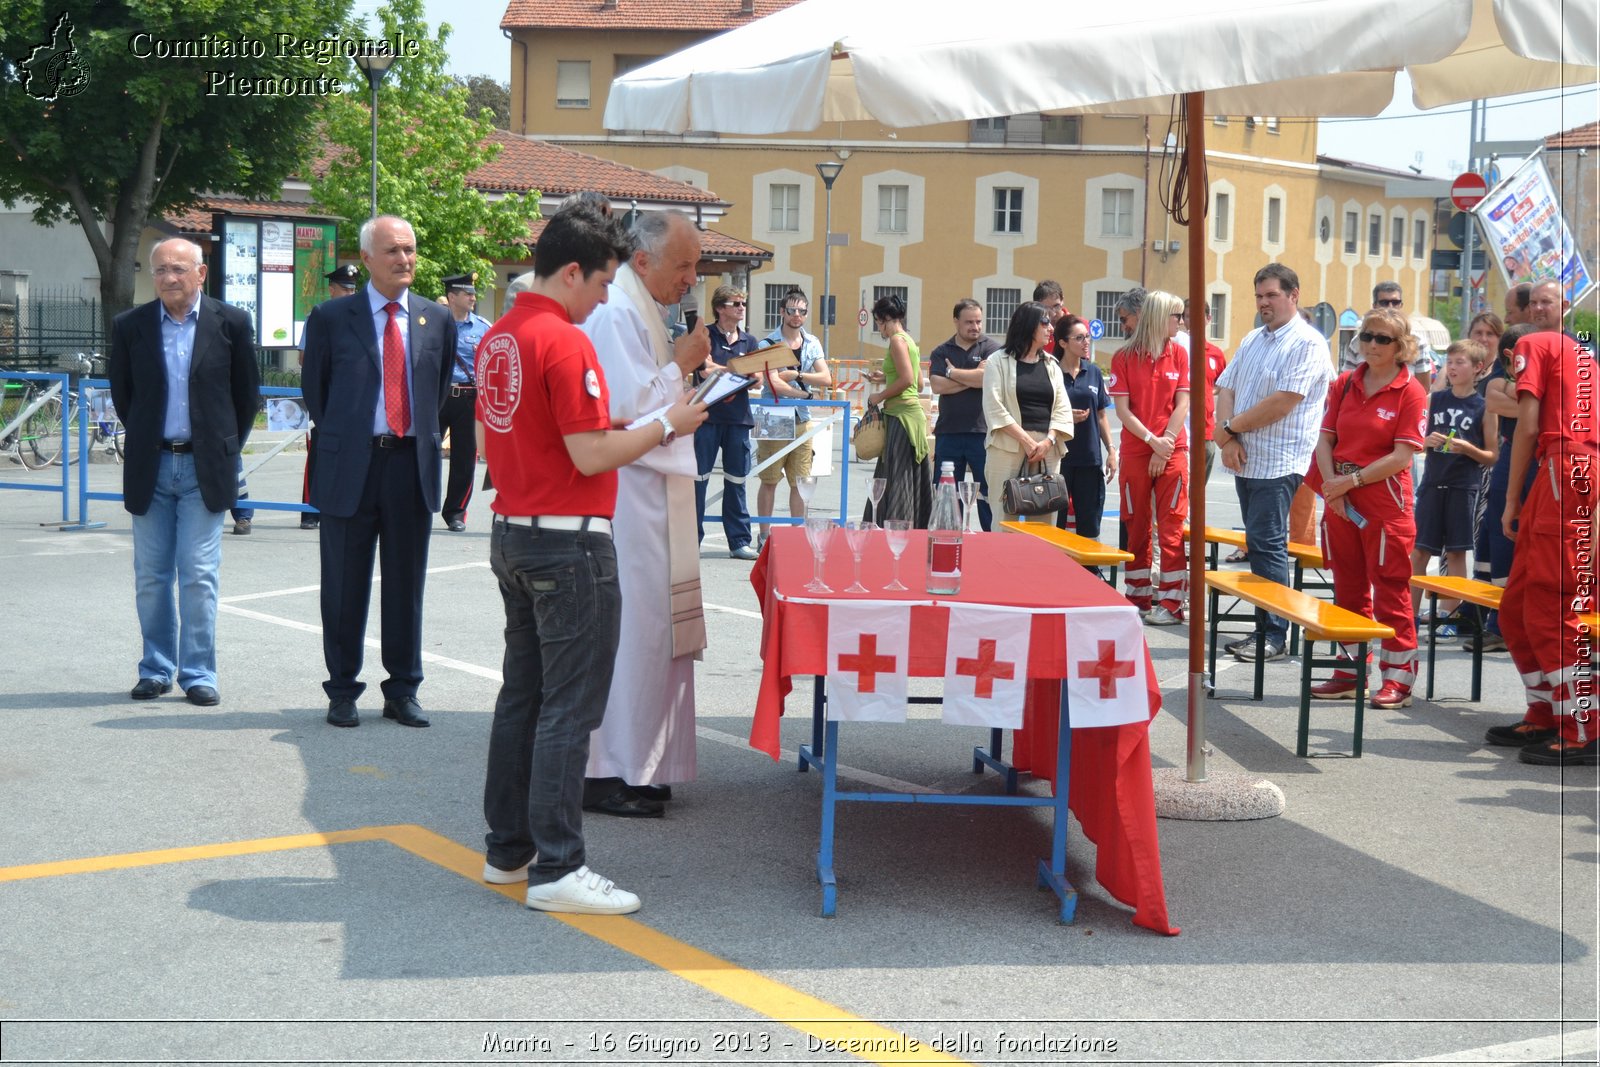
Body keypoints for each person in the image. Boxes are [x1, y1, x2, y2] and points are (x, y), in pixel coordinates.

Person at [476, 205, 709, 914]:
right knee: (567, 711)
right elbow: (592, 449)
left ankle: (508, 848)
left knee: (522, 697)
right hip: (569, 536)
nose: (605, 299)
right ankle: (558, 865)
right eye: (602, 282)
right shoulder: (565, 340)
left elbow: (493, 447)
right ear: (572, 271)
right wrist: (669, 421)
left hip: (514, 526)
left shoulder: (498, 337)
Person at [579, 210, 714, 817]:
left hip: (655, 497)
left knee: (655, 632)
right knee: (630, 634)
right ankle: (606, 771)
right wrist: (681, 367)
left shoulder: (644, 307)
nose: (691, 277)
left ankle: (643, 762)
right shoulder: (616, 311)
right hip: (628, 498)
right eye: (682, 265)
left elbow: (649, 395)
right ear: (642, 260)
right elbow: (622, 408)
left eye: (694, 264)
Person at [301, 214, 456, 729]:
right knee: (343, 585)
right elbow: (317, 395)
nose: (404, 260)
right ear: (367, 258)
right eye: (392, 251)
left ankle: (403, 689)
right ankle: (342, 689)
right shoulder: (330, 317)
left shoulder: (436, 319)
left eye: (409, 250)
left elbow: (435, 397)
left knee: (406, 584)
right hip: (352, 466)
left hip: (410, 465)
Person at [108, 237, 260, 707]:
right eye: (160, 270)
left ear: (200, 273)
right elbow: (124, 395)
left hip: (204, 467)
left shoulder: (231, 322)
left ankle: (197, 673)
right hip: (151, 465)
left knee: (198, 572)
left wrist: (221, 449)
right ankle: (156, 668)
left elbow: (245, 396)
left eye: (178, 268)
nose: (169, 278)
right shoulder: (131, 326)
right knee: (152, 575)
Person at [1488, 327, 1599, 766]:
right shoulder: (1578, 355)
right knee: (1516, 608)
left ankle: (1582, 728)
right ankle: (1549, 712)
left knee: (1552, 607)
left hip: (1565, 469)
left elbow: (1527, 425)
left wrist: (1511, 498)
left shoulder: (1533, 346)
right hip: (1567, 470)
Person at [1309, 307, 1429, 709]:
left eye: (1382, 339)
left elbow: (1402, 456)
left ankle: (1398, 680)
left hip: (1383, 500)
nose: (1372, 344)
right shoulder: (1345, 383)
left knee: (1390, 590)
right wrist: (1334, 489)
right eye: (1367, 336)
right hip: (1341, 494)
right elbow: (1324, 440)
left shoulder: (1411, 391)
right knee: (1347, 586)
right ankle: (1349, 673)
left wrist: (1351, 482)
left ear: (1401, 347)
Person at [1214, 263, 1332, 661]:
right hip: (1245, 455)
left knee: (1267, 545)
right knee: (1258, 543)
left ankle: (1273, 634)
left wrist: (1229, 428)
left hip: (1280, 459)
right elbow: (1226, 385)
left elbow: (1283, 402)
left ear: (1293, 295)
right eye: (1259, 296)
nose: (1264, 303)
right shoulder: (1252, 339)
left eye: (1272, 295)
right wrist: (1228, 434)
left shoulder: (1308, 343)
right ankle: (1264, 628)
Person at [1108, 290, 1190, 623]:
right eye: (1176, 316)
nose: (1180, 322)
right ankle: (1137, 597)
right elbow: (1123, 411)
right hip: (1139, 450)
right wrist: (1152, 440)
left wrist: (1165, 442)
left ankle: (1171, 603)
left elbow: (1182, 403)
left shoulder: (1180, 355)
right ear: (1158, 317)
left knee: (1171, 528)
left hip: (1172, 451)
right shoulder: (1124, 357)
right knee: (1136, 526)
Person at [1409, 340, 1498, 635]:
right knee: (1420, 551)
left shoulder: (1484, 406)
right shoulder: (1435, 398)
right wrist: (1426, 442)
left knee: (1456, 552)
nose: (1453, 367)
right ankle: (1407, 615)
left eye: (1461, 362)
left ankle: (1449, 617)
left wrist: (1467, 449)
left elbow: (1492, 454)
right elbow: (1413, 440)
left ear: (1478, 369)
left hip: (1464, 486)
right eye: (1450, 361)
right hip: (1433, 483)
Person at [981, 301, 1074, 526]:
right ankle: (1002, 562)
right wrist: (1026, 440)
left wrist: (1048, 441)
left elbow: (1063, 409)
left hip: (1047, 450)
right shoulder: (997, 361)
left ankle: (1039, 563)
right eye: (1045, 323)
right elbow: (994, 407)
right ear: (1028, 325)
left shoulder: (1052, 364)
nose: (1051, 328)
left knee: (1046, 518)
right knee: (1004, 518)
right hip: (1008, 447)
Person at [755, 288, 832, 540]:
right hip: (774, 417)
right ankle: (764, 535)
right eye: (792, 310)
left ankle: (797, 536)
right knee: (769, 479)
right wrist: (805, 394)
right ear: (782, 312)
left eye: (802, 311)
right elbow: (774, 383)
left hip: (802, 419)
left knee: (800, 481)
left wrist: (799, 376)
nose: (796, 315)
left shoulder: (812, 343)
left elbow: (826, 377)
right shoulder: (768, 343)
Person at [694, 284, 760, 559]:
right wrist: (736, 369)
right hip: (707, 417)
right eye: (736, 304)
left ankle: (739, 541)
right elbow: (701, 370)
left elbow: (756, 376)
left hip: (738, 419)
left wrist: (719, 369)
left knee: (736, 480)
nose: (741, 308)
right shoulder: (704, 335)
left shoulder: (750, 341)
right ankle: (690, 539)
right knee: (698, 480)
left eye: (743, 303)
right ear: (720, 308)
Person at [298, 264, 361, 531]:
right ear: (331, 289)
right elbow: (305, 359)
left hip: (354, 400)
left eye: (353, 289)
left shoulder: (363, 316)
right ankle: (310, 510)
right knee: (320, 454)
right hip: (327, 397)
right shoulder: (321, 316)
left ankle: (342, 507)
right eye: (344, 289)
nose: (349, 293)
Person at [929, 299, 1001, 530]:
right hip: (948, 433)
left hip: (983, 434)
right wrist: (973, 379)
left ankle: (991, 543)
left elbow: (986, 379)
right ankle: (948, 540)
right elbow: (938, 386)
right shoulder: (941, 352)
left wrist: (952, 373)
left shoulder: (992, 349)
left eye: (979, 321)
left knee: (988, 495)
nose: (975, 327)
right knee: (947, 495)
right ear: (956, 322)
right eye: (969, 322)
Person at [862, 293, 933, 527]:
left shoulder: (896, 341)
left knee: (898, 477)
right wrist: (885, 377)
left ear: (883, 319)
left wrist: (878, 395)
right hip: (910, 416)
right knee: (904, 476)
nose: (879, 329)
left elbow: (907, 379)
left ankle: (897, 527)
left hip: (901, 416)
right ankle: (909, 525)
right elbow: (918, 383)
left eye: (878, 323)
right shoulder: (909, 340)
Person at [1052, 314, 1117, 540]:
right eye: (1079, 338)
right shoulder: (1051, 372)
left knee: (1089, 526)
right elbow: (1040, 414)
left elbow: (1101, 415)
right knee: (1055, 527)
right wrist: (1065, 417)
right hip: (1059, 460)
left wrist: (1111, 450)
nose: (1086, 342)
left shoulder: (1094, 372)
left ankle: (1088, 572)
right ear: (1063, 343)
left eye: (1087, 337)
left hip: (1090, 460)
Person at [440, 271, 491, 532]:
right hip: (438, 396)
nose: (473, 297)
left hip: (469, 399)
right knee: (422, 454)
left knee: (464, 459)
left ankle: (456, 512)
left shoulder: (483, 327)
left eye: (473, 293)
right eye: (467, 293)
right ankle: (418, 505)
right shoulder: (435, 324)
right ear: (451, 297)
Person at [1341, 281, 1437, 391]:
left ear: (1401, 305)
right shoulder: (1359, 341)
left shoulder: (1416, 341)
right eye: (1384, 302)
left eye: (1395, 302)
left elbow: (1423, 388)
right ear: (1374, 306)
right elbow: (1345, 383)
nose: (1390, 307)